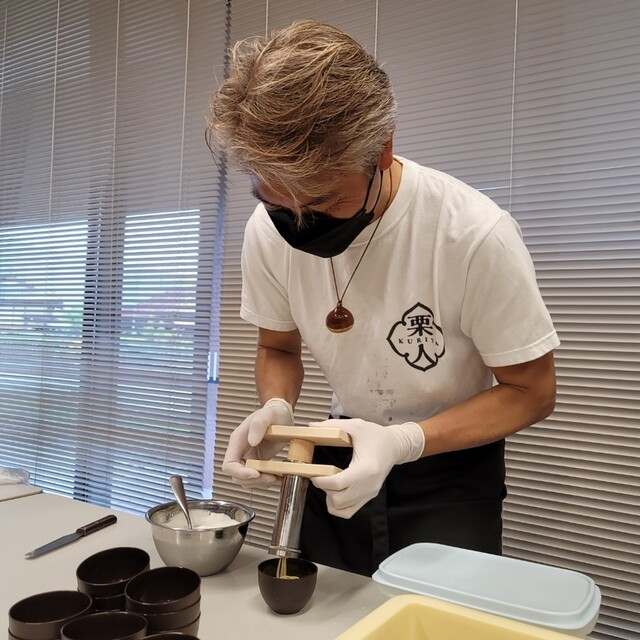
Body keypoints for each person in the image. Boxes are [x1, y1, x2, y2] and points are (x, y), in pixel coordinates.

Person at [207, 19, 559, 576]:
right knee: (326, 608)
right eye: (275, 203)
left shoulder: (472, 234)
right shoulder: (265, 232)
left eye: (323, 201)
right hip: (336, 451)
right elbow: (277, 348)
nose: (297, 222)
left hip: (450, 466)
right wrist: (276, 409)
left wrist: (401, 442)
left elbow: (531, 392)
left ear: (384, 149)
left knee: (436, 616)